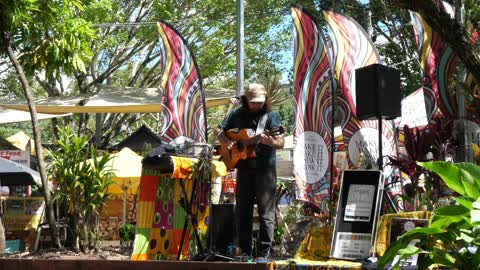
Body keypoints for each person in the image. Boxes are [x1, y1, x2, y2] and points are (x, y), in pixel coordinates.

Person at [216, 83, 284, 259]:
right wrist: (226, 142)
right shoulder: (237, 114)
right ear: (246, 100)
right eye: (253, 102)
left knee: (265, 214)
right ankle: (245, 253)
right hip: (244, 169)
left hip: (265, 170)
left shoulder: (271, 117)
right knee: (242, 213)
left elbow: (281, 142)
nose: (257, 105)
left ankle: (265, 254)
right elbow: (218, 131)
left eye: (260, 102)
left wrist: (271, 142)